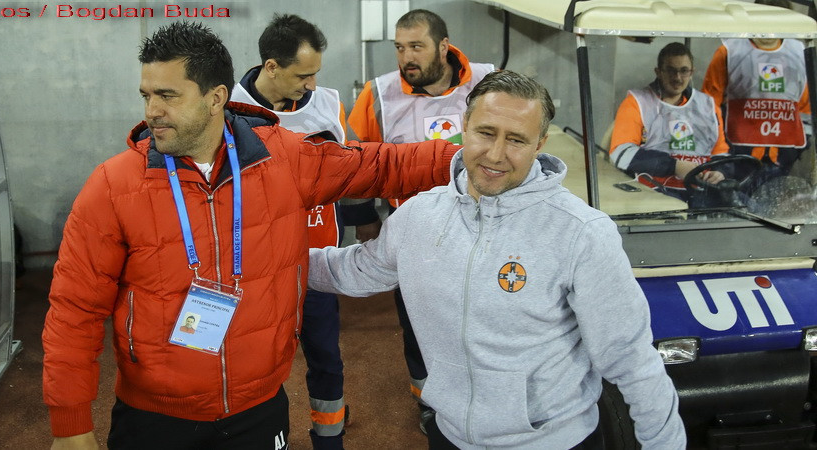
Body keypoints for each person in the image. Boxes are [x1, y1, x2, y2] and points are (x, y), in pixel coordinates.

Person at [42, 21, 459, 450]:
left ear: (215, 98)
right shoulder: (112, 186)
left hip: (257, 407)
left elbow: (378, 165)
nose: (152, 111)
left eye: (168, 95)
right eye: (147, 95)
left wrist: (462, 160)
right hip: (155, 415)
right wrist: (71, 426)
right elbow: (75, 310)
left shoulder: (283, 158)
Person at [309, 70, 686, 449]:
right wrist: (279, 263)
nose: (495, 154)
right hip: (450, 435)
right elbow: (354, 270)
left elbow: (631, 359)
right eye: (486, 133)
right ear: (464, 127)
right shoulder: (419, 216)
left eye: (516, 140)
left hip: (554, 441)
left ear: (540, 143)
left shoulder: (581, 232)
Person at [345, 8, 494, 431]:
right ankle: (430, 401)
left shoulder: (490, 81)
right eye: (399, 48)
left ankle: (485, 392)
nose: (406, 57)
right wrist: (363, 218)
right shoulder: (378, 94)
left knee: (482, 312)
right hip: (414, 227)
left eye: (416, 46)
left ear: (444, 47)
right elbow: (355, 161)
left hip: (483, 222)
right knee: (419, 318)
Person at [228, 14, 352, 449]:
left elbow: (351, 167)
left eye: (316, 73)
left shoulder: (329, 103)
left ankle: (330, 440)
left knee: (327, 360)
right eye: (303, 75)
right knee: (258, 365)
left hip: (317, 264)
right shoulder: (228, 110)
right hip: (258, 272)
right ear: (272, 66)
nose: (312, 84)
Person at [701, 0, 811, 187]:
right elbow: (709, 107)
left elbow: (806, 110)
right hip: (735, 159)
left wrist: (796, 150)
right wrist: (721, 156)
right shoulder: (730, 51)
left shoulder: (801, 53)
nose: (769, 27)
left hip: (781, 160)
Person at [609, 42, 730, 201]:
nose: (677, 78)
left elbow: (721, 153)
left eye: (684, 71)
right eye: (671, 70)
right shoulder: (637, 103)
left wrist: (720, 172)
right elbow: (621, 153)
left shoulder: (707, 106)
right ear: (658, 72)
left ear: (692, 72)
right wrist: (674, 166)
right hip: (652, 195)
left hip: (702, 194)